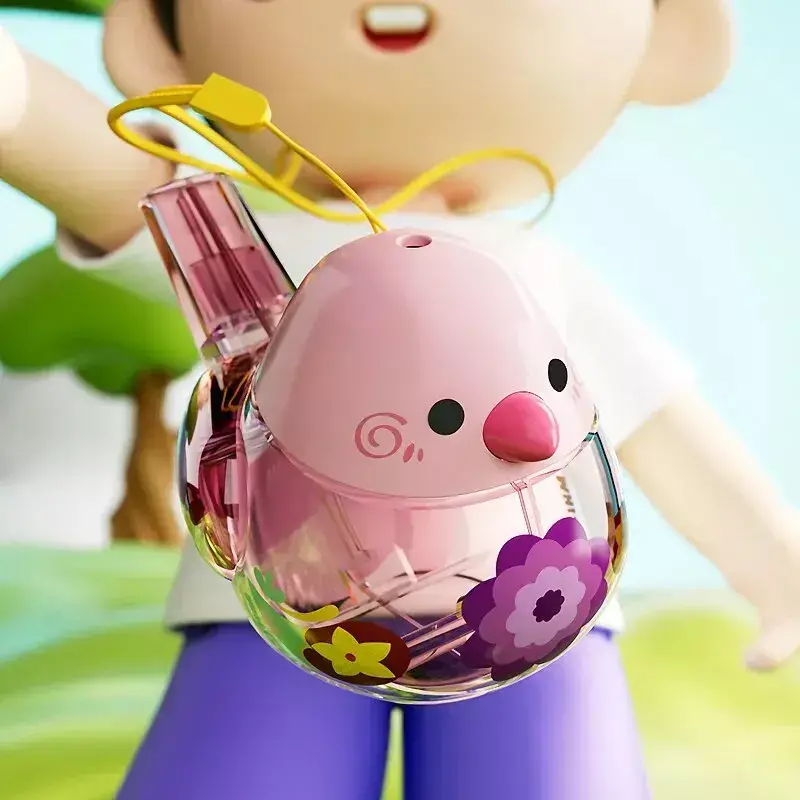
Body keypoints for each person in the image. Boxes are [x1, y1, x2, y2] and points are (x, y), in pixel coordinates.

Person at [1, 1, 799, 798]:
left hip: (540, 610)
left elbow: (665, 430)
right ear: (157, 38)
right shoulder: (237, 251)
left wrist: (777, 567)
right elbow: (110, 174)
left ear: (667, 42)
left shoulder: (535, 272)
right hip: (276, 607)